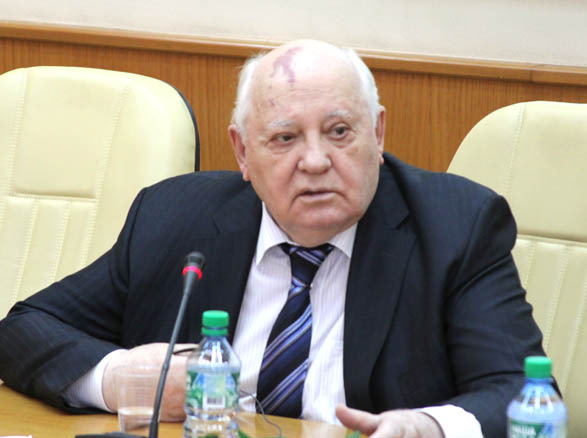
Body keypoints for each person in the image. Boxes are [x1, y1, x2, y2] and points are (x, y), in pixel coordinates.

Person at [0, 39, 546, 438]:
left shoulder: (456, 226)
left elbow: (521, 393)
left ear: (377, 133)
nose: (315, 161)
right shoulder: (174, 217)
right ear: (243, 153)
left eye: (339, 132)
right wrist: (122, 380)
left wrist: (428, 426)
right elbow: (23, 331)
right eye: (285, 138)